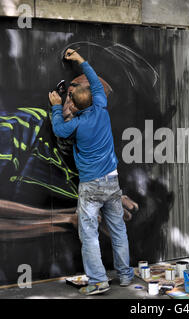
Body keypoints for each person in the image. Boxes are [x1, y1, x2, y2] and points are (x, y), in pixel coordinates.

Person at [49, 49, 134, 295]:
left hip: (91, 186)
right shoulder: (101, 108)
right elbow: (95, 82)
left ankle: (98, 281)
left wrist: (55, 107)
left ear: (74, 105)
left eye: (69, 99)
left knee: (89, 235)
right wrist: (81, 60)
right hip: (112, 181)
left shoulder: (75, 124)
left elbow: (59, 130)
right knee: (118, 230)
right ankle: (126, 275)